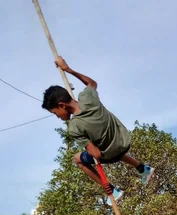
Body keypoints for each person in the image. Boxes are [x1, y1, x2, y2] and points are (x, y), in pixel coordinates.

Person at [41, 56, 155, 205]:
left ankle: (111, 189)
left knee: (78, 159)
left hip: (112, 153)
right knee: (108, 143)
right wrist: (68, 70)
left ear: (62, 105)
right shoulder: (87, 97)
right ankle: (142, 168)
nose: (58, 117)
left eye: (55, 113)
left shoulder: (74, 126)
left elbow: (96, 154)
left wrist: (89, 145)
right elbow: (92, 83)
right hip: (123, 140)